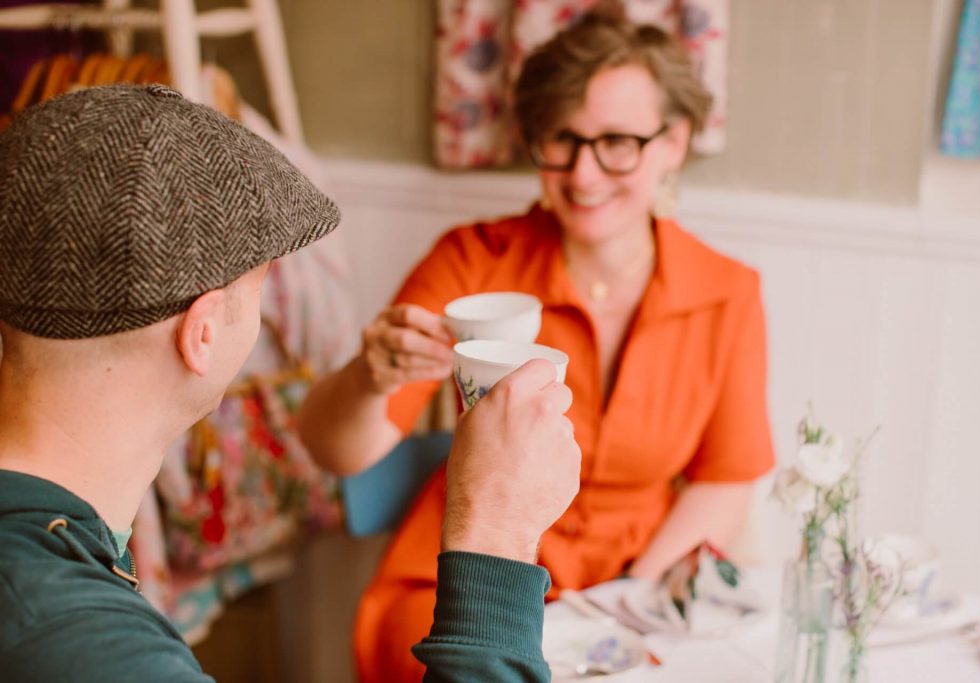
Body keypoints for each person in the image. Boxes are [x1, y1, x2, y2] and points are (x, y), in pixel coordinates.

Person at [0, 84, 580, 682]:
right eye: (261, 288)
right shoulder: (86, 647)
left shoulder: (54, 572)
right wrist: (494, 534)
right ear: (201, 335)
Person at [298, 7, 776, 683]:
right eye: (562, 139)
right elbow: (338, 449)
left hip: (627, 599)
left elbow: (726, 478)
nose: (583, 174)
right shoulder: (473, 263)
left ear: (674, 142)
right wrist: (371, 376)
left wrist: (625, 603)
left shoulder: (728, 292)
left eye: (617, 142)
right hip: (464, 589)